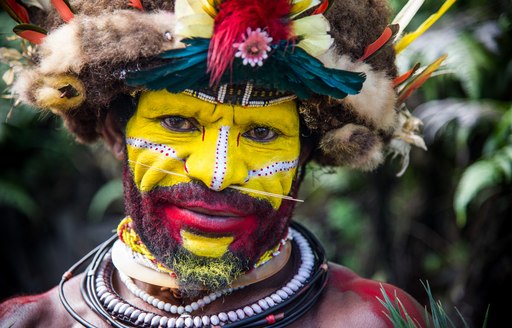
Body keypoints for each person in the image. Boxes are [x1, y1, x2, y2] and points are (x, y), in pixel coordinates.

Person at [0, 0, 452, 326]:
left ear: (305, 153)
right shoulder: (29, 323)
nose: (217, 173)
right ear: (117, 133)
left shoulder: (373, 320)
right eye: (176, 121)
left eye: (261, 133)